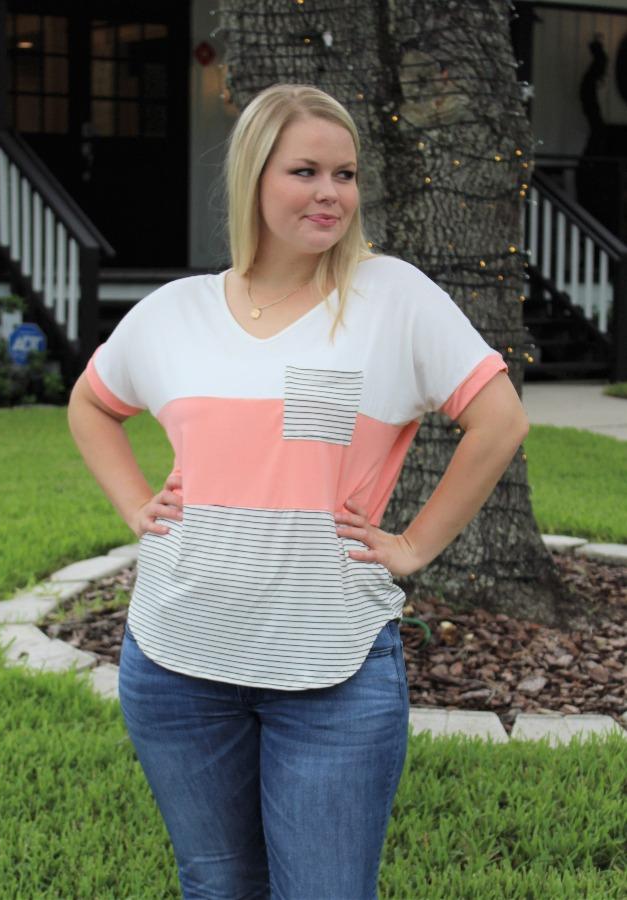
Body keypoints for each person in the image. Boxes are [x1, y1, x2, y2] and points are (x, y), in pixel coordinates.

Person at [68, 82, 529, 900]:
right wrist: (137, 505)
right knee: (216, 886)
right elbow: (93, 404)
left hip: (332, 669)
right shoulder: (176, 312)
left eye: (344, 174)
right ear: (254, 177)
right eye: (305, 171)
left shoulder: (391, 298)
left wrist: (414, 545)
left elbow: (498, 423)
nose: (330, 193)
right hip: (176, 661)